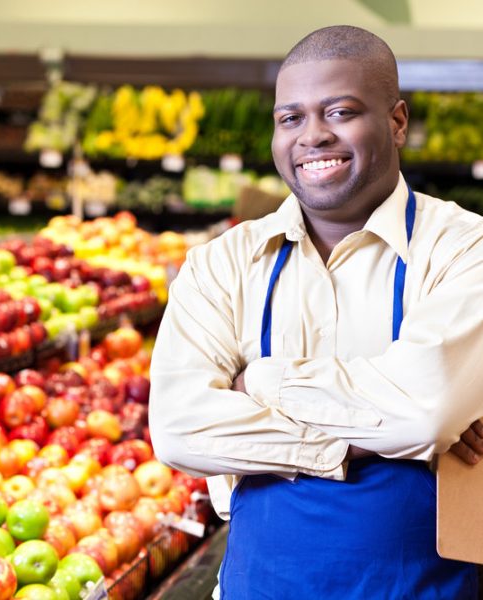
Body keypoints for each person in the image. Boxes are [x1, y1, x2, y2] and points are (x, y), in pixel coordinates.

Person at [149, 25, 483, 599]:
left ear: (397, 122)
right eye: (291, 118)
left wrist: (259, 381)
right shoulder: (221, 263)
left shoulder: (463, 248)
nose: (313, 137)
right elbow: (178, 427)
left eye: (340, 111)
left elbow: (422, 413)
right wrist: (351, 440)